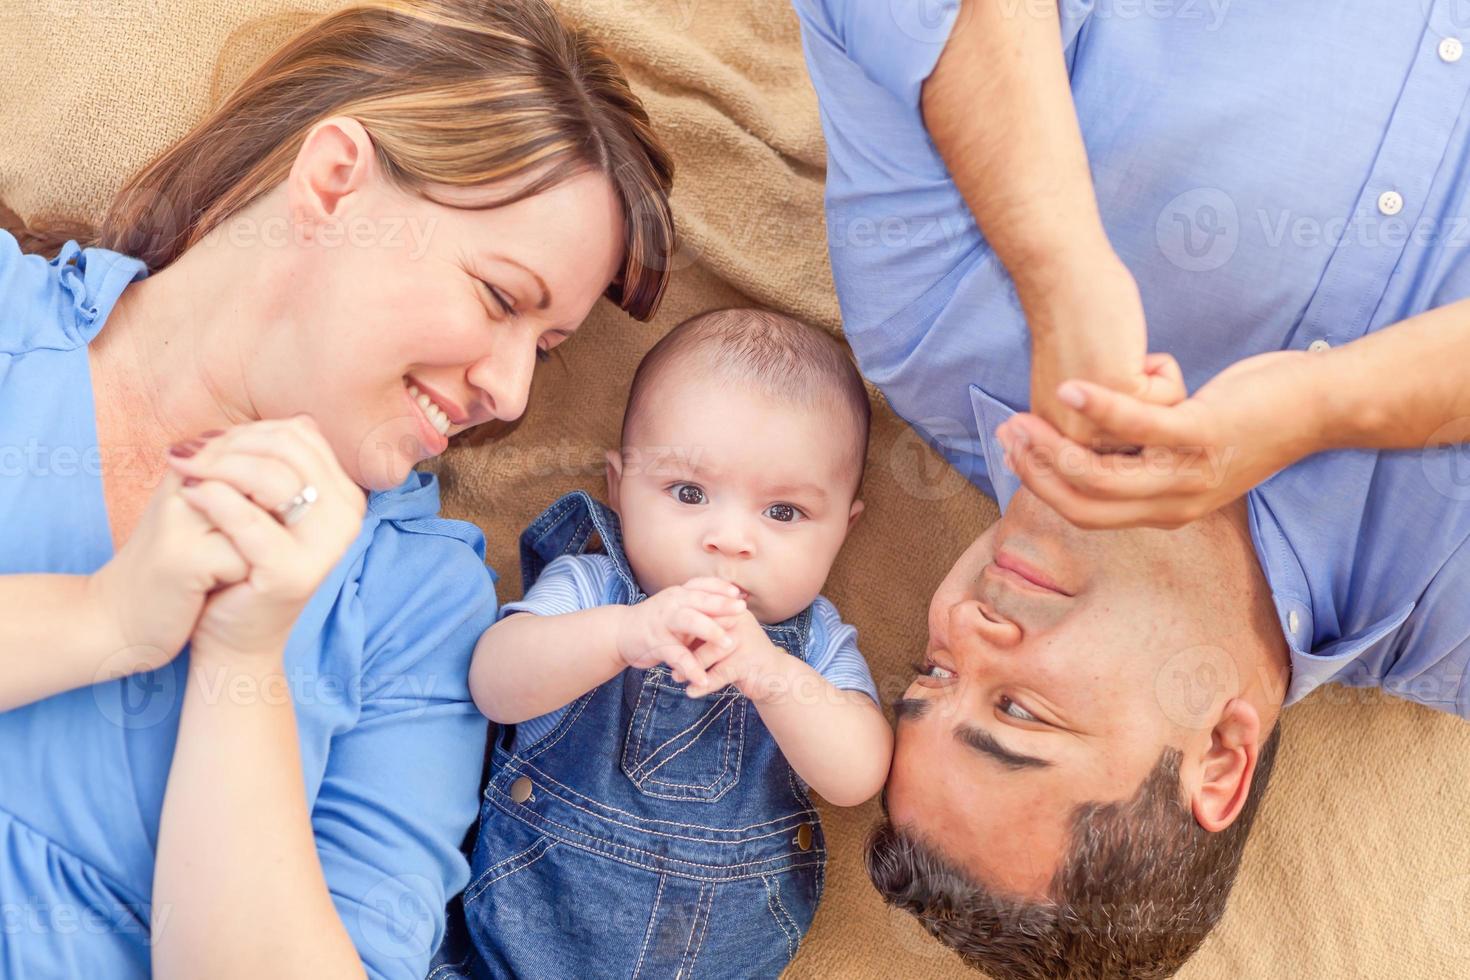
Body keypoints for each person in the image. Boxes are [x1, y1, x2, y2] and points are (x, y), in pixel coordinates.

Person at [791, 0, 1470, 975]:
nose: (962, 633)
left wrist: (1057, 263)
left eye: (930, 680)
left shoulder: (937, 326)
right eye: (1019, 710)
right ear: (1222, 754)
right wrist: (1334, 404)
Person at [0, 1, 673, 977]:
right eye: (499, 297)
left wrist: (246, 657)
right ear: (334, 180)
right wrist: (107, 620)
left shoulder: (423, 605)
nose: (512, 388)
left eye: (546, 345)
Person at [434, 309, 892, 979]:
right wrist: (622, 636)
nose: (731, 540)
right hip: (517, 945)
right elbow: (496, 684)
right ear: (619, 491)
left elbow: (856, 778)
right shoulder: (594, 587)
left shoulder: (813, 643)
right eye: (689, 492)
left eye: (784, 512)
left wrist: (768, 674)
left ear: (842, 531)